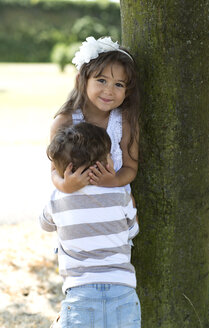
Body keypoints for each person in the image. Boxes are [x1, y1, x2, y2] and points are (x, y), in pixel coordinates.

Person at [39, 122, 141, 328]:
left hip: (80, 292)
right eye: (110, 155)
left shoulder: (57, 199)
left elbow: (45, 224)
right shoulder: (120, 194)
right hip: (122, 289)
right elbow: (133, 229)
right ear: (102, 164)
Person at [50, 36, 140, 195]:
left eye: (119, 84)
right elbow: (54, 171)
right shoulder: (64, 121)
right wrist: (65, 185)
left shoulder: (124, 122)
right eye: (102, 80)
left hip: (113, 204)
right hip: (75, 205)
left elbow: (130, 168)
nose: (109, 91)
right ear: (81, 80)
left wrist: (114, 181)